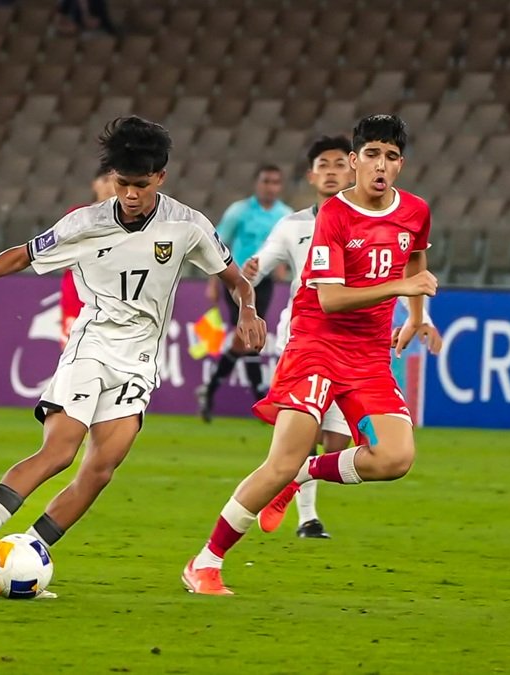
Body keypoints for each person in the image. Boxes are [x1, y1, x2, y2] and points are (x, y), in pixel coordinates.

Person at [0, 116, 265, 597]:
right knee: (59, 452)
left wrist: (248, 311)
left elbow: (236, 280)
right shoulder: (84, 223)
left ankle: (26, 553)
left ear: (160, 178)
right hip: (91, 348)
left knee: (100, 470)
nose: (130, 194)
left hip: (139, 363)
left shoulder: (188, 225)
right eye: (122, 183)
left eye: (140, 185)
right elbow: (23, 254)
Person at [183, 114, 437, 595]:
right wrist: (400, 287)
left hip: (368, 356)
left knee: (396, 458)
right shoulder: (335, 215)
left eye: (391, 157)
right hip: (316, 345)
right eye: (372, 155)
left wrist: (415, 317)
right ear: (356, 161)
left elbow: (416, 257)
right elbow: (331, 299)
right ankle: (205, 562)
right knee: (279, 461)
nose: (380, 165)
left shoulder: (415, 210)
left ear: (400, 164)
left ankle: (304, 473)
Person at [242, 135, 443, 539]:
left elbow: (410, 263)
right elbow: (258, 267)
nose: (332, 172)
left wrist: (418, 317)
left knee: (336, 443)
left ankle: (298, 482)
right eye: (324, 165)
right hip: (306, 336)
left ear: (350, 168)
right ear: (311, 175)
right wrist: (247, 290)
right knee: (303, 434)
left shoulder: (382, 216)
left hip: (357, 344)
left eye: (338, 164)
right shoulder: (293, 224)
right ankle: (308, 517)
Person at [200, 164, 292, 420]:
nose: (270, 187)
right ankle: (259, 395)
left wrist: (283, 265)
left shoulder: (285, 215)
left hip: (265, 283)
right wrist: (212, 283)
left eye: (275, 182)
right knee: (248, 337)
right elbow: (216, 246)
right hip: (237, 282)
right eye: (266, 181)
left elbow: (289, 245)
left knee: (245, 340)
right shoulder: (239, 211)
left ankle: (210, 390)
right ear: (257, 184)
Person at [59, 165, 116, 348]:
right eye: (105, 180)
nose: (109, 186)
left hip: (112, 296)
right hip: (77, 293)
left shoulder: (130, 220)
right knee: (73, 350)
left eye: (115, 181)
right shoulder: (78, 214)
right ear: (94, 184)